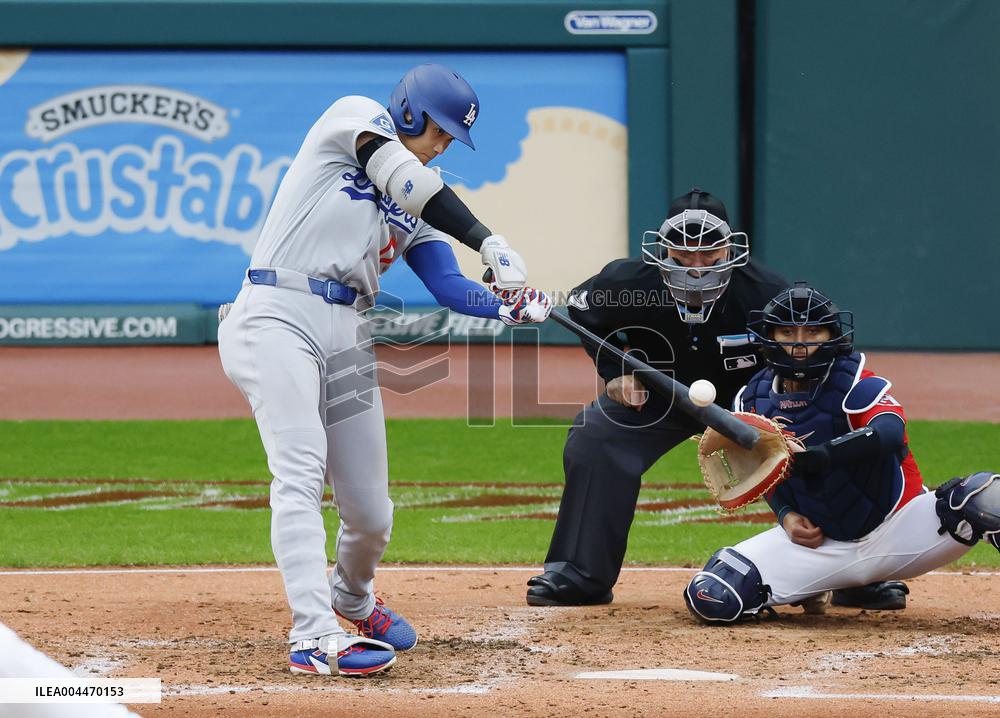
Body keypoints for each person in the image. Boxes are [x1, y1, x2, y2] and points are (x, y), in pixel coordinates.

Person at [218, 63, 551, 676]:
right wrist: (489, 238)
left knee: (371, 512)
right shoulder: (354, 117)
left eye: (452, 137)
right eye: (439, 130)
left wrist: (506, 305)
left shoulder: (423, 191)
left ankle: (352, 596)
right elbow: (402, 176)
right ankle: (314, 634)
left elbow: (448, 284)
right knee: (299, 471)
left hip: (347, 331)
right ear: (406, 111)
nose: (443, 144)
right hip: (275, 312)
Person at [526, 188, 789, 607]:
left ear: (730, 247)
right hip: (658, 396)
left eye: (709, 251)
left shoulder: (767, 293)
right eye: (684, 252)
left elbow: (809, 344)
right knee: (596, 434)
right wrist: (616, 372)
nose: (697, 264)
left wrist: (785, 405)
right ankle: (580, 574)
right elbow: (582, 311)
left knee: (813, 433)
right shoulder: (630, 283)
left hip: (749, 403)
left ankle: (854, 571)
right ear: (663, 248)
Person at [683, 284, 1000, 623]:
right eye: (787, 331)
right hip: (820, 546)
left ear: (832, 335)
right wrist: (787, 516)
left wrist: (821, 456)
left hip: (899, 527)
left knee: (985, 498)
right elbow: (765, 472)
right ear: (770, 337)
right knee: (714, 594)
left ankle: (857, 584)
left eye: (812, 331)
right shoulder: (751, 401)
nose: (800, 342)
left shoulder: (854, 380)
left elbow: (889, 432)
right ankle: (823, 585)